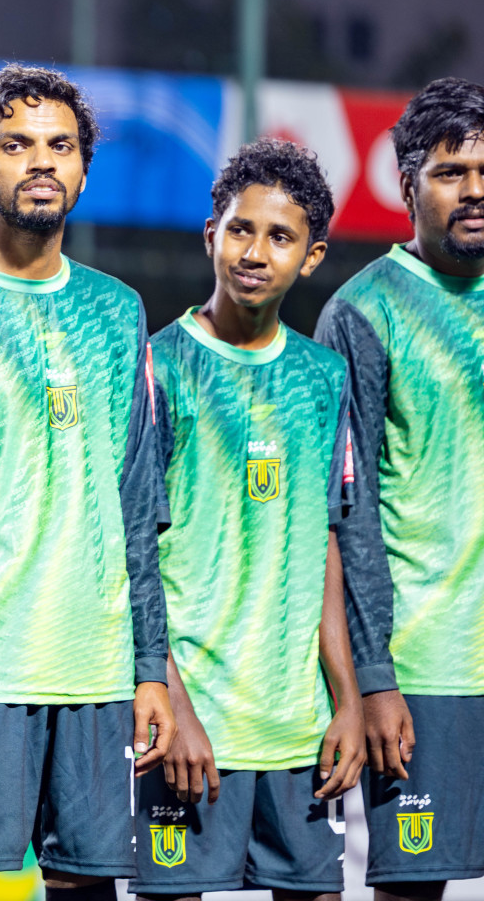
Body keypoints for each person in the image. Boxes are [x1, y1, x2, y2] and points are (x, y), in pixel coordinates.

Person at [0, 64, 175, 901]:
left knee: (85, 892)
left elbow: (136, 503)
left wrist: (148, 666)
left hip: (94, 671)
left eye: (61, 145)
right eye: (16, 145)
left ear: (84, 168)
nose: (41, 162)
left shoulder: (118, 309)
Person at [133, 138, 365, 900]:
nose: (255, 251)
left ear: (313, 256)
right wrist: (172, 700)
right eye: (240, 229)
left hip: (300, 731)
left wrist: (349, 698)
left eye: (280, 236)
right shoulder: (156, 367)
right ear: (211, 237)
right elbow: (132, 553)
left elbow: (324, 542)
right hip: (190, 724)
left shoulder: (325, 376)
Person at [315, 76, 484, 898]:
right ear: (407, 183)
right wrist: (374, 678)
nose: (476, 190)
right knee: (415, 887)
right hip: (429, 666)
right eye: (453, 172)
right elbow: (349, 518)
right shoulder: (363, 312)